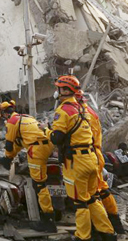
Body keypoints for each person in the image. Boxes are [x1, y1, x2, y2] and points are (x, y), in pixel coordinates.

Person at [45, 75, 115, 241]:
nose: (57, 91)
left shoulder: (63, 110)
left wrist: (46, 130)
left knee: (80, 202)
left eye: (59, 88)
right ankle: (108, 232)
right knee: (92, 198)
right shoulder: (83, 109)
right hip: (91, 159)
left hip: (77, 162)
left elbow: (57, 138)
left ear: (64, 90)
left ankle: (83, 236)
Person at [0, 100, 57, 232]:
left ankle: (49, 221)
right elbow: (19, 142)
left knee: (39, 185)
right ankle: (53, 213)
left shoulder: (11, 122)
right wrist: (9, 157)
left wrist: (6, 157)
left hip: (37, 150)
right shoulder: (26, 118)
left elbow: (9, 144)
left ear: (5, 114)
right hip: (48, 144)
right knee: (45, 180)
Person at [75, 90, 125, 234]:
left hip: (87, 156)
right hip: (96, 155)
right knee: (102, 190)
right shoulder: (89, 111)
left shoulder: (81, 114)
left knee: (88, 197)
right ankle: (116, 226)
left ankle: (100, 230)